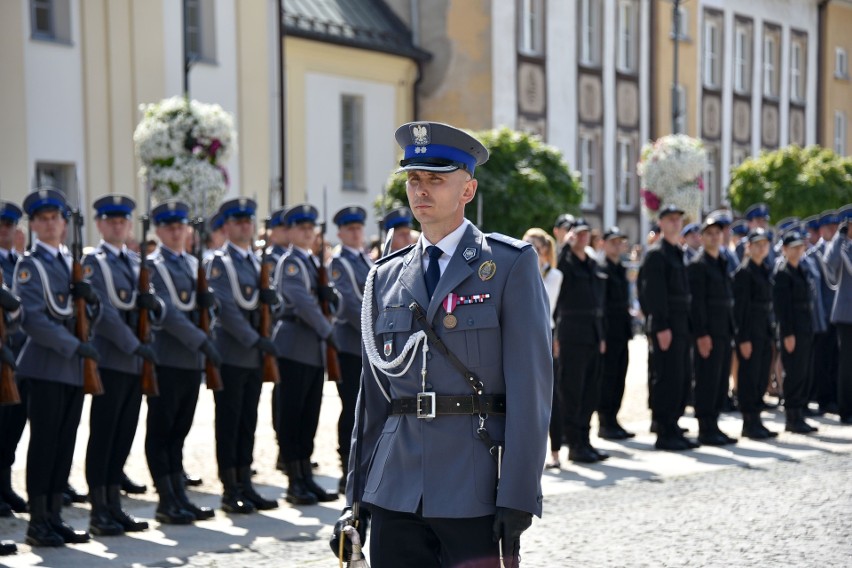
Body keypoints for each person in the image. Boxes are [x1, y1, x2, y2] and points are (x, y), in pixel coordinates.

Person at [333, 121, 551, 567]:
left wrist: (519, 493)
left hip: (473, 483)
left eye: (436, 179)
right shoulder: (385, 277)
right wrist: (354, 496)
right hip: (395, 485)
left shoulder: (508, 265)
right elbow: (372, 399)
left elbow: (531, 391)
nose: (421, 190)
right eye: (414, 179)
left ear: (467, 190)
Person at [13, 189, 100, 546]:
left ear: (65, 224)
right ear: (33, 225)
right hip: (47, 366)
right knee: (45, 445)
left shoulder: (71, 262)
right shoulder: (29, 265)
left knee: (65, 445)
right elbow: (32, 320)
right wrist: (74, 345)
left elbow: (87, 315)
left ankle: (55, 516)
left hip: (72, 368)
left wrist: (91, 302)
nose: (50, 224)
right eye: (42, 218)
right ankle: (37, 522)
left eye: (55, 218)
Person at [82, 195, 162, 536]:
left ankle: (114, 503)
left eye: (122, 220)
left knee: (124, 433)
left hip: (134, 362)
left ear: (130, 225)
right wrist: (136, 347)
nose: (117, 225)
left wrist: (154, 307)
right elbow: (104, 315)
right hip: (113, 360)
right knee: (104, 434)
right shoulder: (93, 263)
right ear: (99, 224)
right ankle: (99, 509)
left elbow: (154, 307)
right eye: (110, 220)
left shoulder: (135, 262)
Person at [145, 200, 222, 524]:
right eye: (169, 226)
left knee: (180, 431)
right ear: (159, 231)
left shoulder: (194, 264)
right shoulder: (153, 265)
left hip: (191, 361)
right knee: (162, 431)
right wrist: (201, 341)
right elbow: (168, 314)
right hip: (167, 358)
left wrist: (211, 307)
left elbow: (205, 311)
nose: (176, 231)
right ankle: (165, 499)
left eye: (180, 226)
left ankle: (178, 494)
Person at [206, 197, 280, 514]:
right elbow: (227, 310)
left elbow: (266, 307)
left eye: (248, 220)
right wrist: (256, 340)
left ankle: (245, 482)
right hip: (233, 352)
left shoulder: (255, 261)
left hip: (252, 357)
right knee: (229, 420)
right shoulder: (220, 263)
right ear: (226, 227)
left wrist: (271, 303)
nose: (244, 226)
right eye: (237, 221)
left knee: (248, 421)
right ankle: (229, 488)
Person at [271, 204, 339, 505]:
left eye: (311, 229)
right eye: (302, 228)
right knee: (292, 415)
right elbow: (301, 303)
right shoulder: (291, 263)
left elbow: (322, 302)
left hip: (311, 348)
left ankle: (305, 474)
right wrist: (328, 331)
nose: (308, 233)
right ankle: (294, 479)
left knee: (309, 415)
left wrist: (331, 300)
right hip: (294, 344)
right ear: (290, 232)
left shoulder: (313, 263)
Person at [638, 204, 697, 450]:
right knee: (666, 377)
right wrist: (660, 326)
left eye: (678, 219)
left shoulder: (677, 252)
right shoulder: (657, 254)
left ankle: (673, 425)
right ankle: (664, 431)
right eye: (670, 219)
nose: (675, 223)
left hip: (681, 325)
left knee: (681, 377)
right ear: (661, 223)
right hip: (667, 326)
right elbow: (653, 293)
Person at [556, 217, 608, 463]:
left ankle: (585, 440)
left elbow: (598, 301)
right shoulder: (565, 261)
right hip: (572, 334)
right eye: (579, 234)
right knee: (572, 391)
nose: (583, 237)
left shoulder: (591, 263)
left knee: (591, 391)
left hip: (592, 332)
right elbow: (556, 271)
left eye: (587, 233)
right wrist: (565, 245)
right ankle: (574, 443)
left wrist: (601, 335)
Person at [329, 206, 373, 491]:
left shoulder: (366, 261)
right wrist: (375, 329)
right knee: (352, 408)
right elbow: (347, 304)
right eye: (350, 229)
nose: (356, 232)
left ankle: (365, 464)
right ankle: (347, 465)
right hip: (350, 345)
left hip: (368, 347)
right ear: (340, 233)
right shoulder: (339, 263)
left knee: (369, 409)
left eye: (359, 228)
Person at [687, 215, 737, 445]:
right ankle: (705, 427)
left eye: (717, 233)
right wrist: (702, 334)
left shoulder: (722, 261)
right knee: (707, 379)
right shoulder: (698, 265)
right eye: (709, 233)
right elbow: (697, 304)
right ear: (701, 237)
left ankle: (714, 423)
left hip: (724, 330)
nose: (714, 237)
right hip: (709, 332)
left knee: (719, 381)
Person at [522, 228, 563, 468]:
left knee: (550, 394)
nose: (531, 252)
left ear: (545, 250)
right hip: (521, 333)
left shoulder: (553, 275)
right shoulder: (521, 272)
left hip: (544, 332)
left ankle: (555, 450)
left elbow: (544, 303)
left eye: (534, 247)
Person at [733, 228, 778, 439]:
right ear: (749, 247)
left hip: (763, 331)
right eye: (757, 245)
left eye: (765, 244)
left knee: (761, 377)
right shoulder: (744, 273)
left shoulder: (765, 269)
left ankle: (757, 419)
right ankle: (749, 421)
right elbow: (740, 310)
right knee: (749, 377)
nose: (762, 248)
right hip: (750, 332)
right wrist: (743, 338)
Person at [773, 231, 818, 433]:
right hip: (792, 330)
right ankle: (792, 416)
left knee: (803, 372)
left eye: (800, 247)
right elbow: (783, 308)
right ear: (785, 249)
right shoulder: (783, 272)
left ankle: (799, 412)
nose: (798, 251)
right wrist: (788, 334)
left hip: (805, 328)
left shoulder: (799, 269)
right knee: (794, 373)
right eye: (793, 248)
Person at [0, 201, 28, 518]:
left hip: (21, 358)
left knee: (13, 428)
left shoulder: (22, 264)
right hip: (3, 356)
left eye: (9, 224)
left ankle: (5, 486)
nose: (4, 230)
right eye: (0, 225)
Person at [597, 227, 635, 440]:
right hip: (609, 330)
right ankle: (605, 421)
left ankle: (614, 418)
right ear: (603, 244)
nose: (617, 246)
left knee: (620, 376)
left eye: (619, 242)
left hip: (622, 330)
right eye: (613, 242)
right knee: (608, 377)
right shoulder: (601, 268)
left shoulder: (620, 268)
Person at [262, 206, 290, 471]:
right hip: (271, 329)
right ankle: (283, 445)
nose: (285, 232)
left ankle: (288, 449)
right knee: (283, 395)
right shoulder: (270, 258)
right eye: (281, 227)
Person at [823, 204, 852, 424]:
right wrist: (840, 237)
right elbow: (829, 263)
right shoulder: (842, 246)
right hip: (846, 314)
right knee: (846, 364)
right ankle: (846, 409)